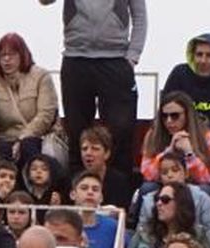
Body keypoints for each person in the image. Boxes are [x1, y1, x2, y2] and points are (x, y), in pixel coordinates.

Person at [58, 0, 147, 192]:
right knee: (76, 132)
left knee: (120, 133)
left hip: (116, 59)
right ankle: (77, 197)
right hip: (75, 57)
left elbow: (140, 16)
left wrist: (132, 56)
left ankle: (118, 197)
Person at [0, 32, 57, 162]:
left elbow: (46, 115)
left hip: (36, 137)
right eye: (3, 55)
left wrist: (23, 137)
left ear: (22, 55)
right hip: (5, 139)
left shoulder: (41, 76)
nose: (7, 59)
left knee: (27, 147)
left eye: (12, 55)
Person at [139, 91, 210, 186]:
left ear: (187, 115)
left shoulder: (206, 136)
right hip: (162, 186)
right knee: (147, 188)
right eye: (164, 116)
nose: (169, 121)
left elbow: (207, 178)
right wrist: (168, 151)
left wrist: (189, 154)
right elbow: (147, 174)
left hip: (194, 186)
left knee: (206, 190)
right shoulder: (153, 135)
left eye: (174, 116)